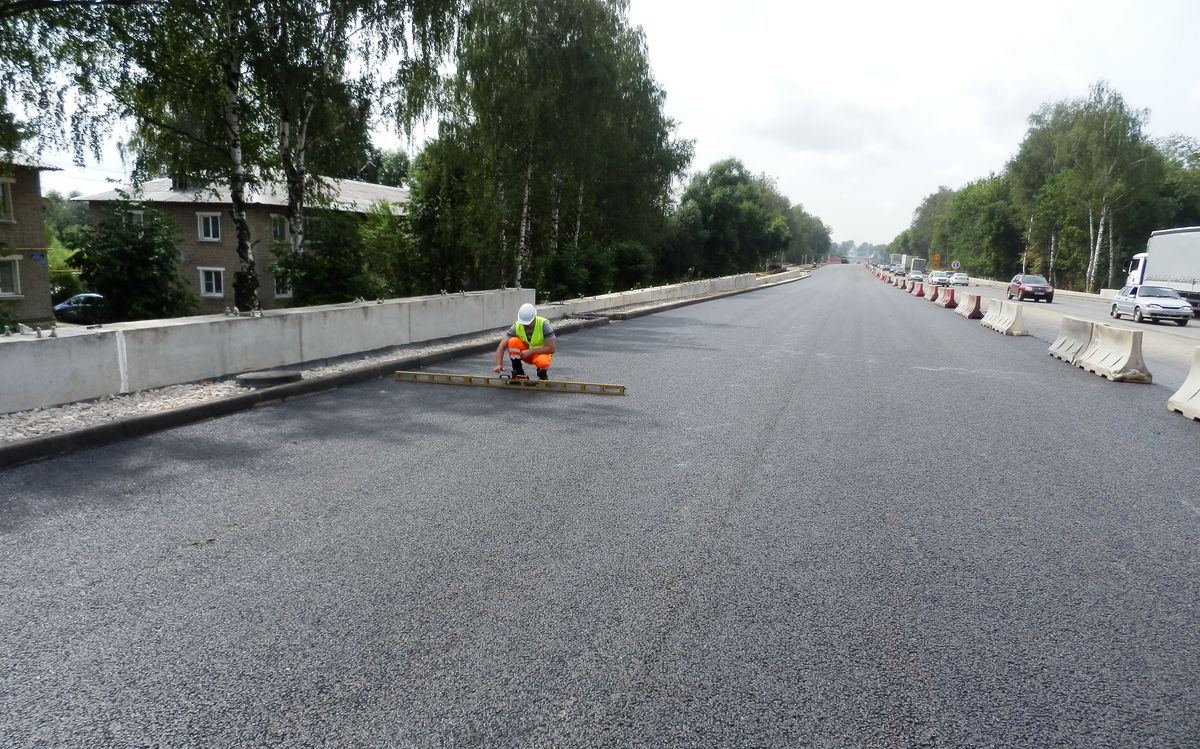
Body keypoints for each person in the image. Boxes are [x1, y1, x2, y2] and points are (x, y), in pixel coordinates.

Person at [493, 303, 556, 380]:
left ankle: (542, 375)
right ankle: (518, 373)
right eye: (524, 323)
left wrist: (531, 351)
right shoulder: (517, 325)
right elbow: (502, 346)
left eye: (528, 323)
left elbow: (552, 348)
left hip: (540, 354)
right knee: (512, 341)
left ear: (534, 318)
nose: (526, 325)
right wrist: (498, 364)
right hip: (524, 354)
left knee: (543, 362)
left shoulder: (543, 324)